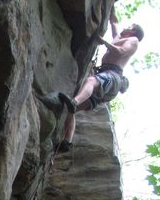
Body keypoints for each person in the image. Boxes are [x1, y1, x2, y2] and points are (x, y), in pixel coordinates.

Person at [57, 12, 144, 152]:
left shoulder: (134, 40)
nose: (126, 27)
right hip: (107, 79)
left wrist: (102, 41)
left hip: (113, 76)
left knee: (91, 81)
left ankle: (75, 101)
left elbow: (121, 52)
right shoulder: (119, 37)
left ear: (133, 31)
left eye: (130, 26)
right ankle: (67, 141)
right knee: (71, 111)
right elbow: (114, 21)